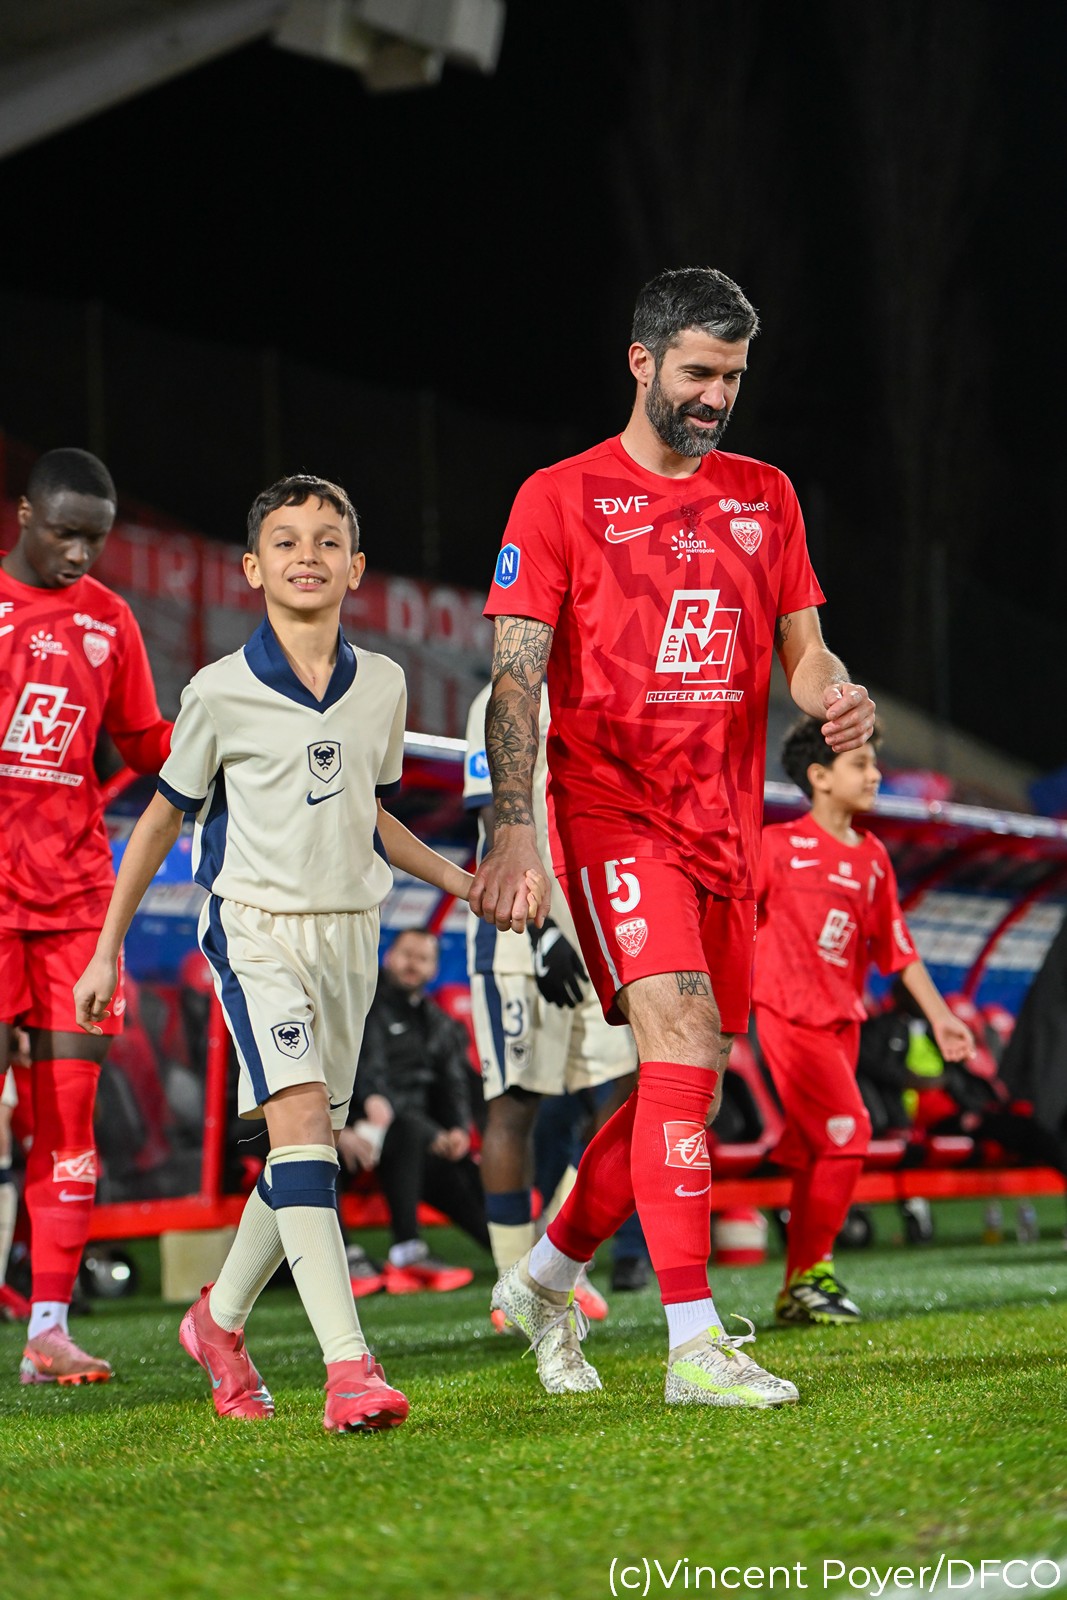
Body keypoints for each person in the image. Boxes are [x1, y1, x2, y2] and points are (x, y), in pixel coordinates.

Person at [470, 266, 877, 1409]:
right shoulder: (557, 497)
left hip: (723, 826)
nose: (716, 397)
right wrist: (514, 829)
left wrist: (832, 692)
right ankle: (692, 1343)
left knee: (680, 1083)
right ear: (641, 361)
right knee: (686, 1039)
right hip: (611, 812)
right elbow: (514, 679)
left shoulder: (766, 495)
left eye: (732, 377)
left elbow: (804, 648)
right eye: (698, 373)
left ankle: (543, 1279)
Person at [74, 474, 497, 1434]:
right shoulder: (217, 691)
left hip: (351, 936)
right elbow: (158, 824)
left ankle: (216, 1324)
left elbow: (371, 815)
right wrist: (107, 950)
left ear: (356, 566)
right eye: (286, 540)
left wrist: (459, 880)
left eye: (327, 539)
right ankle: (350, 1369)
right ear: (252, 568)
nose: (308, 554)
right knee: (303, 1125)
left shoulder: (382, 684)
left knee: (303, 1153)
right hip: (255, 928)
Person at [1, 448, 172, 1382]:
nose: (79, 555)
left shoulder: (109, 617)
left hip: (75, 905)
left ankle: (48, 1331)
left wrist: (227, 740)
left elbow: (144, 739)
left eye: (95, 541)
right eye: (65, 535)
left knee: (68, 1120)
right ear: (25, 514)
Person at [753, 716, 975, 1325]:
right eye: (861, 764)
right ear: (820, 777)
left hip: (841, 1025)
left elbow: (897, 949)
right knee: (848, 1131)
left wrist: (942, 1018)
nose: (875, 774)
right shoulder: (776, 845)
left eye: (874, 763)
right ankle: (815, 1272)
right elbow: (732, 922)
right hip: (786, 1018)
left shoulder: (873, 858)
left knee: (816, 1152)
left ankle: (797, 1290)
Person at [464, 681, 638, 1324]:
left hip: (598, 921)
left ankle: (548, 1265)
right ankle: (511, 1285)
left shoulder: (605, 691)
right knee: (515, 1104)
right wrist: (537, 930)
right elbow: (496, 815)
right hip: (517, 931)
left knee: (632, 1086)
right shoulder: (499, 698)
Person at [338, 927, 489, 1292]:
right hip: (354, 1128)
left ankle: (518, 1253)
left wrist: (456, 1129)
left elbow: (454, 1082)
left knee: (464, 1173)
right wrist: (371, 1102)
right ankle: (402, 1249)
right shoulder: (364, 1003)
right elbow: (367, 1070)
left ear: (434, 968)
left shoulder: (437, 1022)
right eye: (406, 955)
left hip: (415, 1142)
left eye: (422, 959)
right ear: (388, 957)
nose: (412, 964)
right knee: (407, 1129)